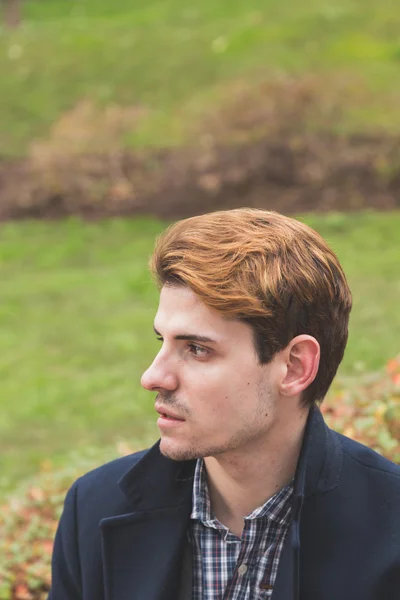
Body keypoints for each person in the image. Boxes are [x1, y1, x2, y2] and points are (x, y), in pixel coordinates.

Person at [49, 208, 400, 600]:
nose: (152, 377)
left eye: (197, 349)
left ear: (295, 367)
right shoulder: (94, 508)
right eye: (160, 341)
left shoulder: (390, 530)